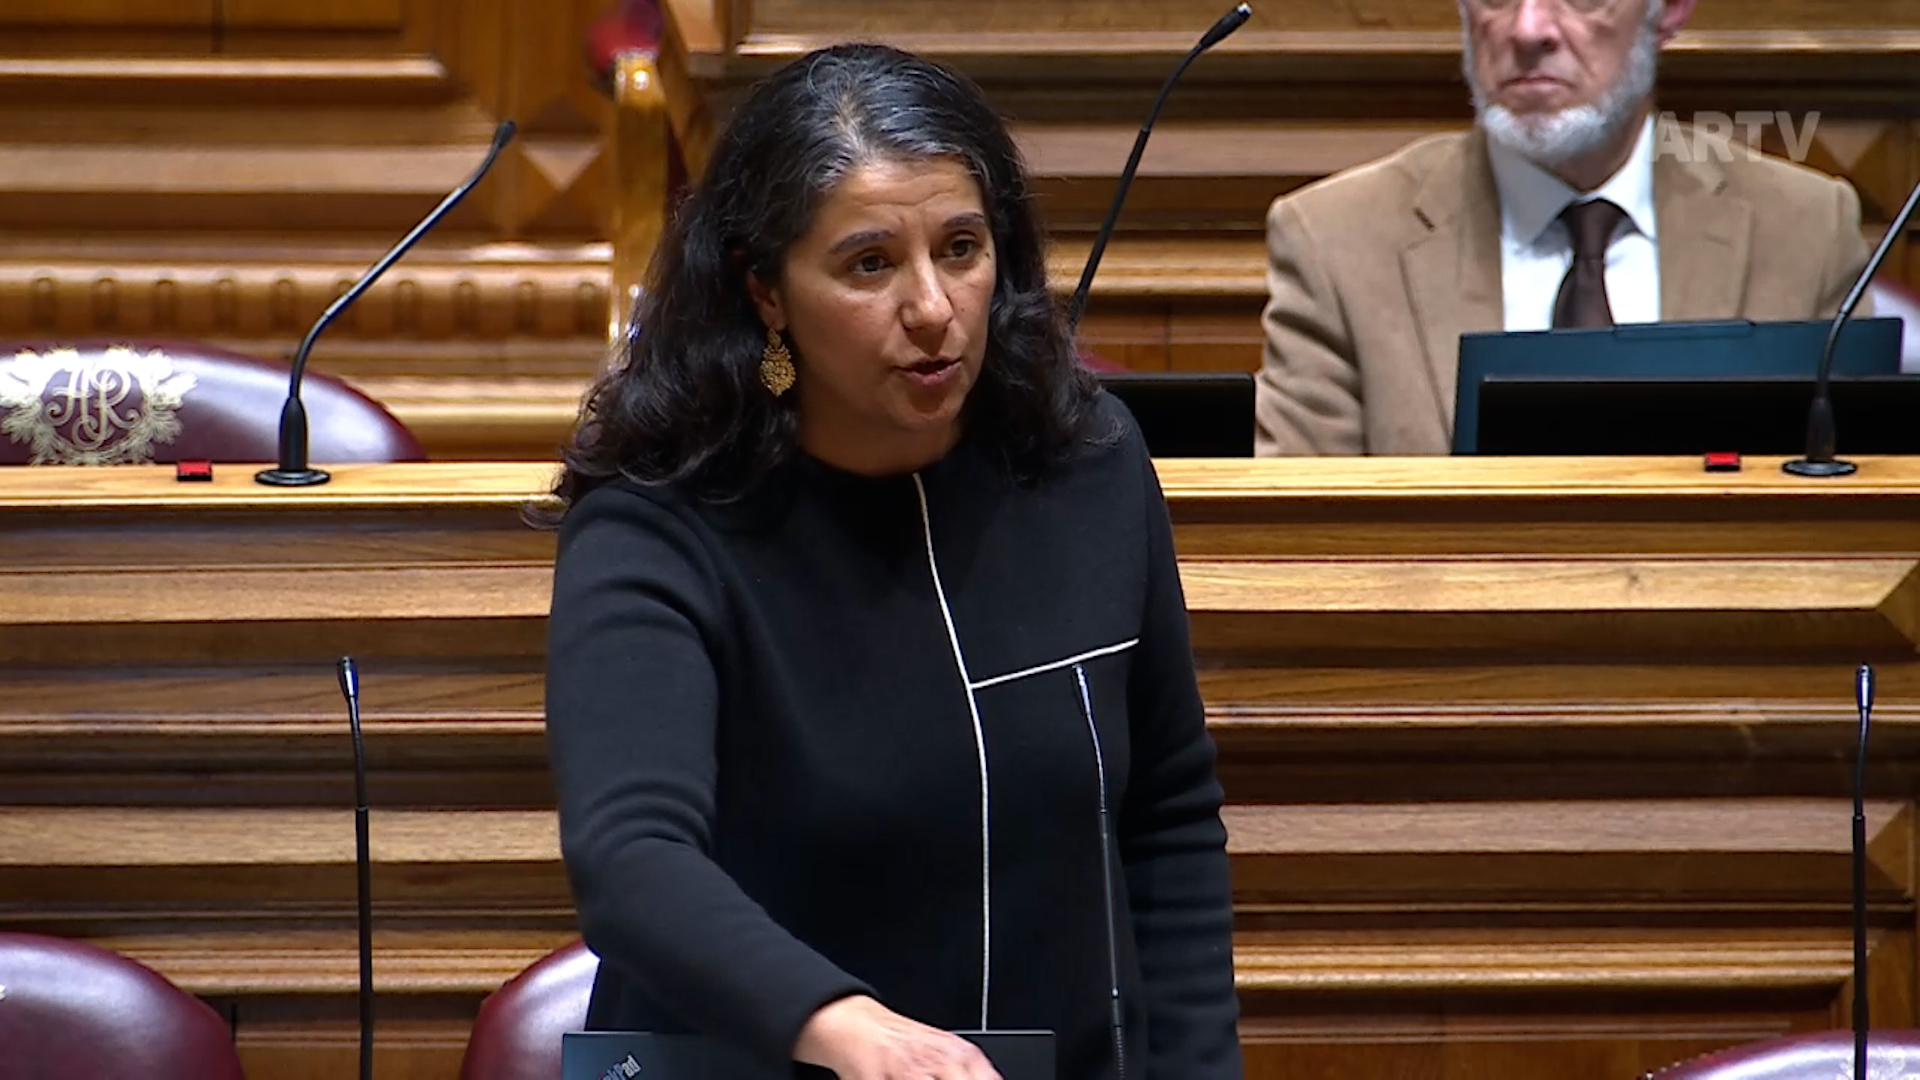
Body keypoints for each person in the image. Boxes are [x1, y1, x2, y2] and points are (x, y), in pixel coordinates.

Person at [538, 42, 1243, 1080]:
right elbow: (634, 862)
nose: (933, 308)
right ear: (765, 291)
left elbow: (1168, 817)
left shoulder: (1088, 464)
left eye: (961, 248)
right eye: (869, 264)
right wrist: (850, 1029)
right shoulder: (658, 527)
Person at [1254, 0, 1874, 455]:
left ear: (1668, 11)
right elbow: (1301, 536)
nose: (1528, 29)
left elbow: (1854, 526)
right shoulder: (1336, 238)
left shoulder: (1804, 228)